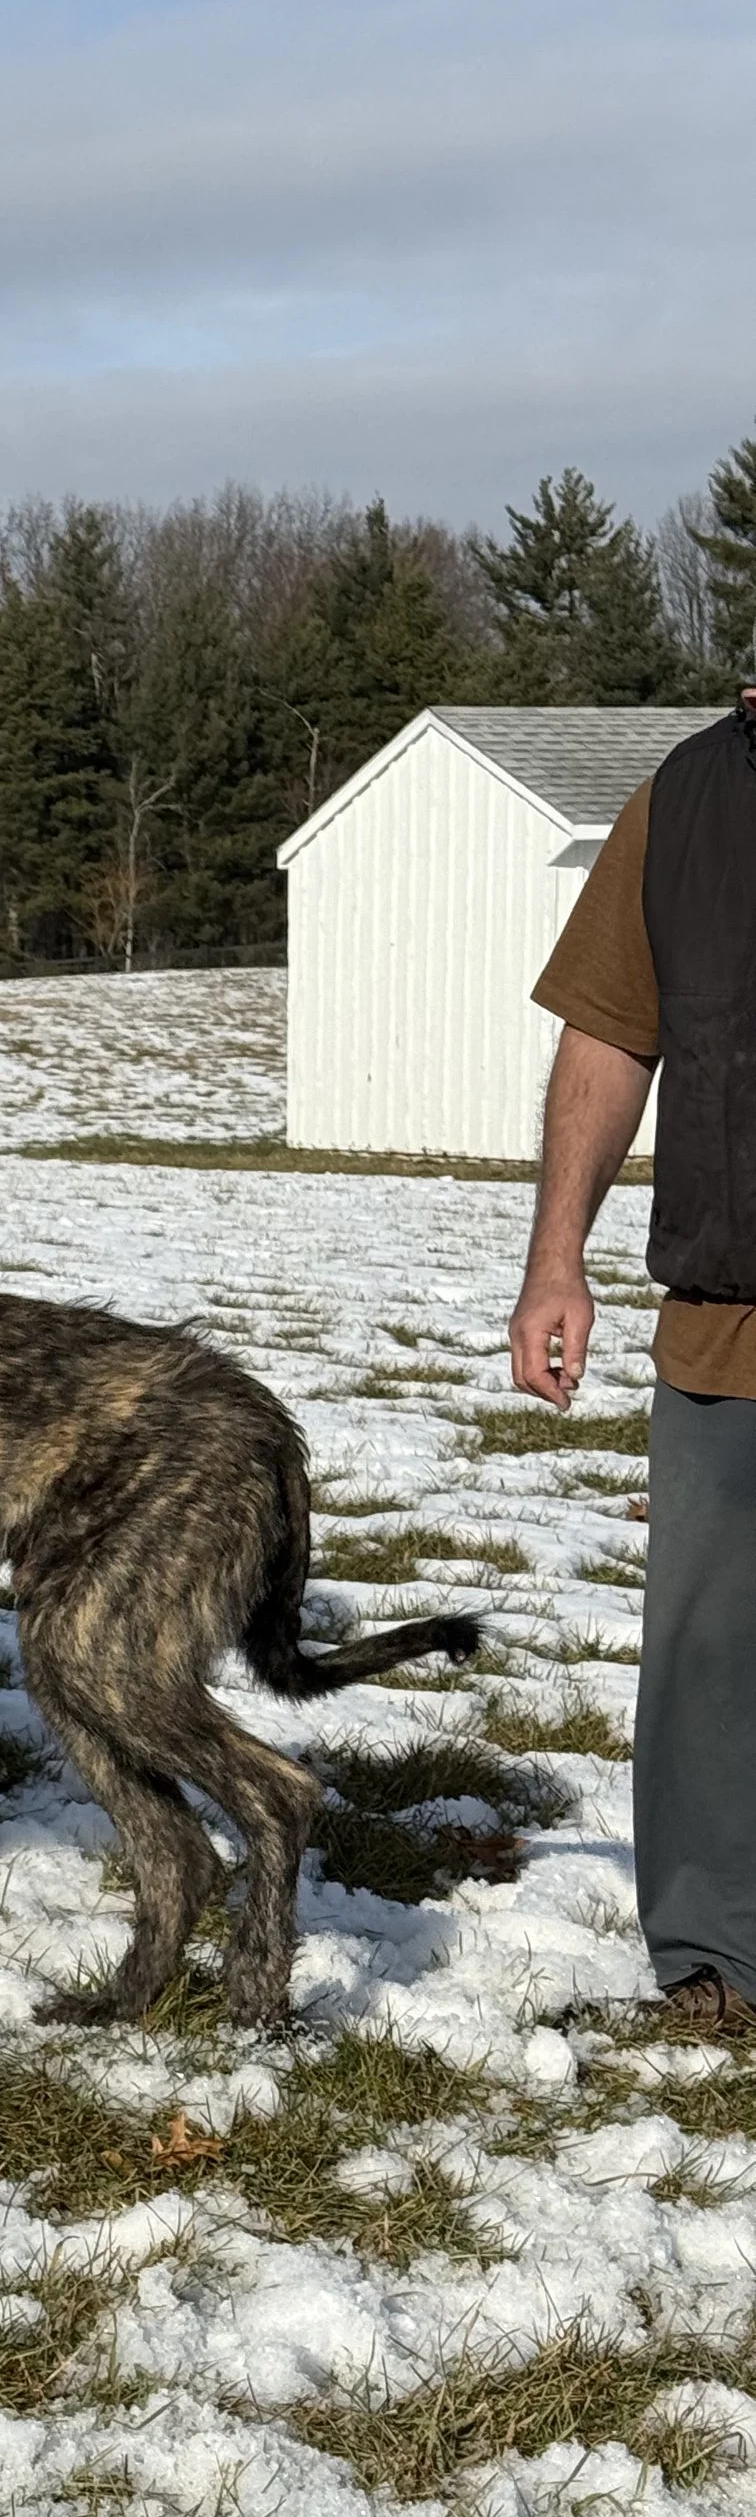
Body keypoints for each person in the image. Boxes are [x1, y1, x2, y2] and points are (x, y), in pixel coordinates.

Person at [510, 683, 756, 2030]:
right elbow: (611, 1027)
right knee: (712, 1660)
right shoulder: (688, 800)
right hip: (732, 1315)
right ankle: (718, 1966)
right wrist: (559, 1256)